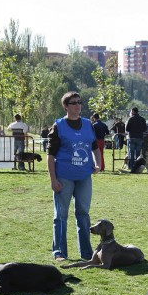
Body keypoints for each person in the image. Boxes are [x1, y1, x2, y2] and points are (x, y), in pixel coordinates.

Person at [47, 91, 101, 261]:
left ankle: (86, 253)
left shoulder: (87, 124)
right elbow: (50, 155)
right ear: (66, 106)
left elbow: (95, 147)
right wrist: (53, 179)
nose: (78, 106)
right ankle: (59, 252)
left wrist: (97, 163)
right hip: (63, 176)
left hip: (84, 176)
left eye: (79, 102)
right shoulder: (58, 126)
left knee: (83, 213)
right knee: (61, 215)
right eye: (73, 103)